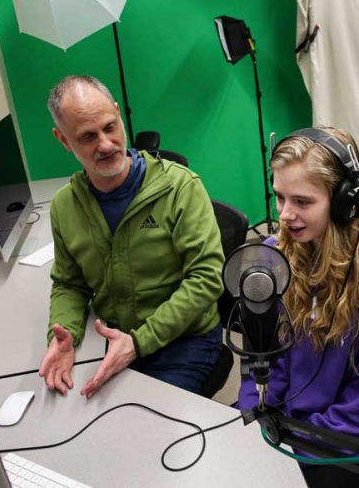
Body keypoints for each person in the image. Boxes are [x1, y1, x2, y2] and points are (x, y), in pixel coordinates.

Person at [237, 127, 359, 487]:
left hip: (349, 442)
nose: (285, 216)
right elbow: (259, 355)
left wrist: (284, 449)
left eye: (303, 202)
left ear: (343, 202)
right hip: (284, 423)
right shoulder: (276, 255)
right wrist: (252, 415)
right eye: (280, 197)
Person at [38, 75, 225, 398]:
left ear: (117, 113)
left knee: (147, 432)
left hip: (184, 342)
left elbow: (206, 279)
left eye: (110, 127)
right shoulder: (65, 206)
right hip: (112, 337)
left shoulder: (181, 187)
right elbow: (70, 283)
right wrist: (63, 334)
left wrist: (138, 343)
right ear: (63, 140)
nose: (106, 144)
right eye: (87, 137)